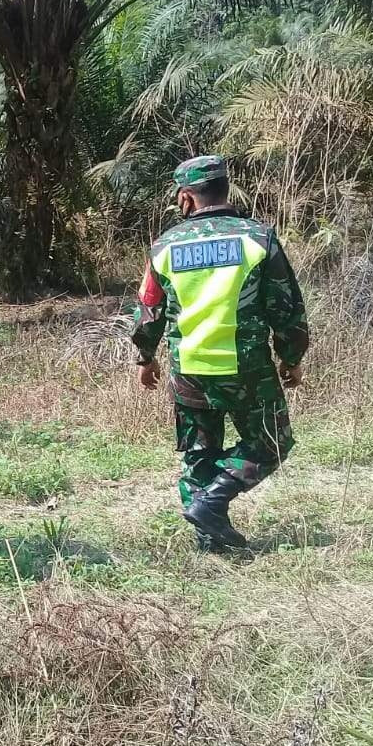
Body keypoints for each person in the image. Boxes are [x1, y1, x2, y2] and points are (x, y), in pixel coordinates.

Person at [130, 155, 309, 552]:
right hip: (246, 367)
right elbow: (285, 307)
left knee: (199, 453)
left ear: (185, 197)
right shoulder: (256, 238)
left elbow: (148, 311)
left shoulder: (165, 246)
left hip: (188, 369)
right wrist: (291, 357)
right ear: (226, 188)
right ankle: (213, 504)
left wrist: (146, 358)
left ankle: (207, 538)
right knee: (271, 444)